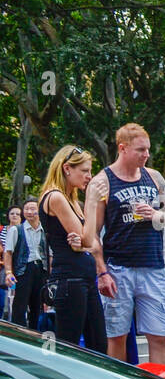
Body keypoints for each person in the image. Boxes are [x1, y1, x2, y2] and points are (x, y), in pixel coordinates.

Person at [80, 123, 165, 364]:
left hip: (153, 266)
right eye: (140, 150)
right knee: (117, 337)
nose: (146, 155)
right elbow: (92, 234)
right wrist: (101, 271)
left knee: (159, 335)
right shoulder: (101, 182)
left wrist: (155, 216)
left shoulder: (154, 177)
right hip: (118, 269)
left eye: (148, 150)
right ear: (123, 148)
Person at [36, 146, 107, 352]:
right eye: (84, 171)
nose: (89, 176)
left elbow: (93, 242)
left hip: (84, 277)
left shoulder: (72, 199)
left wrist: (85, 243)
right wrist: (92, 202)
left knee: (99, 346)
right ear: (67, 168)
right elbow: (87, 241)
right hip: (70, 280)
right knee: (70, 349)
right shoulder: (56, 197)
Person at [3, 197, 48, 329]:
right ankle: (18, 336)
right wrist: (8, 272)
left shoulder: (45, 230)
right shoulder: (16, 230)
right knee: (19, 307)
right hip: (23, 270)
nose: (29, 212)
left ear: (39, 211)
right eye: (26, 209)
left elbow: (49, 254)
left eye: (32, 209)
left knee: (37, 307)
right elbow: (8, 252)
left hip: (41, 270)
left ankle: (34, 335)